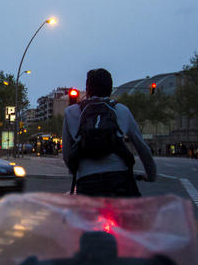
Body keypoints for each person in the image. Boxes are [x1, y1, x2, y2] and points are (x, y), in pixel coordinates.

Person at [62, 68, 156, 197]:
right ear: (110, 89)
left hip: (87, 181)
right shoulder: (122, 110)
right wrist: (151, 175)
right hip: (119, 179)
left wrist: (77, 172)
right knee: (134, 214)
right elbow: (142, 148)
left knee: (82, 216)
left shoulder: (71, 112)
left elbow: (67, 152)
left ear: (87, 89)